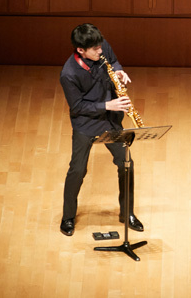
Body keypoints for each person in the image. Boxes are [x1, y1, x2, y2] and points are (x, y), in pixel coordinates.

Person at [58, 23, 144, 236]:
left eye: (100, 46)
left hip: (110, 120)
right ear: (81, 50)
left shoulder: (101, 47)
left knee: (126, 164)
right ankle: (68, 216)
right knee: (77, 170)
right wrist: (107, 105)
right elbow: (77, 107)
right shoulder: (68, 74)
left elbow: (113, 61)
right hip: (85, 124)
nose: (101, 50)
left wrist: (119, 71)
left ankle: (127, 213)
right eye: (95, 49)